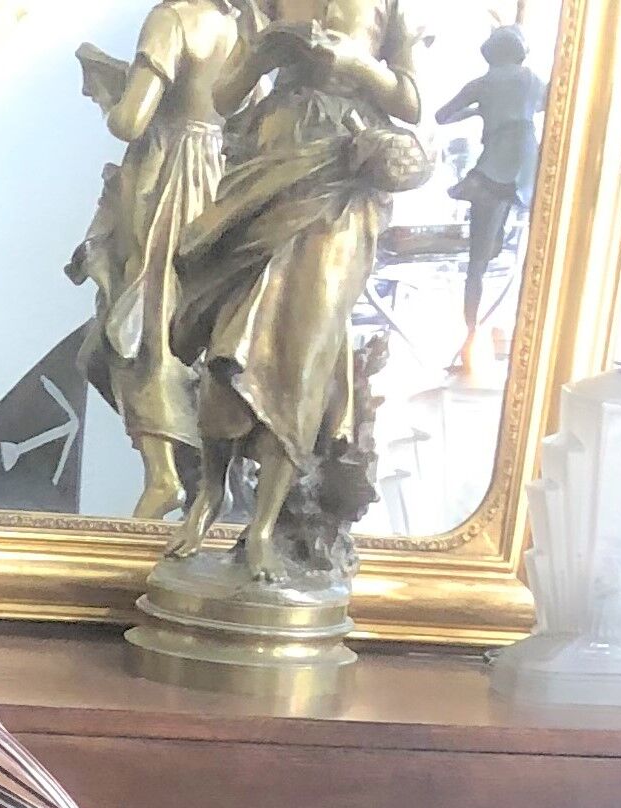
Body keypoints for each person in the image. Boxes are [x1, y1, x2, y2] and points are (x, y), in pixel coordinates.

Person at [167, 0, 432, 587]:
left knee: (305, 349)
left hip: (344, 173)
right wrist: (262, 55)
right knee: (229, 339)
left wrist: (355, 64)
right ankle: (208, 497)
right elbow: (225, 95)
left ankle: (261, 526)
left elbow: (411, 101)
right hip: (270, 163)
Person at [71, 5, 249, 523]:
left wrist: (114, 89)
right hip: (215, 180)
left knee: (142, 325)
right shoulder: (238, 26)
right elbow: (244, 110)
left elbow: (130, 121)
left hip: (164, 178)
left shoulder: (171, 19)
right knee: (183, 325)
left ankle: (162, 477)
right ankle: (201, 477)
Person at [434, 24, 544, 377]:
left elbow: (442, 115)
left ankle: (470, 335)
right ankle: (499, 336)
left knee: (477, 263)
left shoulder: (482, 83)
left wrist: (479, 110)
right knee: (526, 253)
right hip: (529, 165)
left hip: (494, 167)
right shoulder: (530, 80)